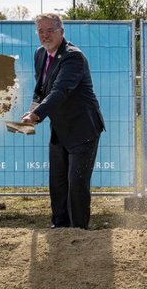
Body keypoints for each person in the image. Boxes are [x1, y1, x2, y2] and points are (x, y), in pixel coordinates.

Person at [22, 13, 105, 229]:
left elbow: (60, 91)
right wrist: (30, 112)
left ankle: (78, 231)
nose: (45, 35)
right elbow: (41, 89)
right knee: (57, 183)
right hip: (60, 128)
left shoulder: (73, 56)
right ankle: (59, 228)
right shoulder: (40, 54)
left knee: (76, 183)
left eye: (50, 30)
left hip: (83, 129)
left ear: (62, 31)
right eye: (41, 31)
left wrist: (36, 115)